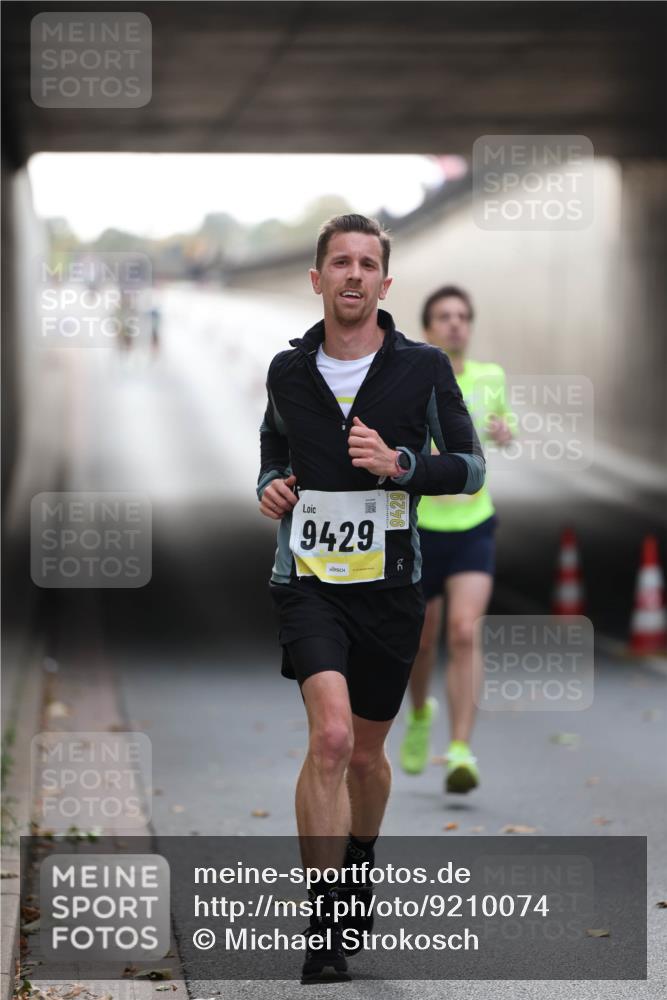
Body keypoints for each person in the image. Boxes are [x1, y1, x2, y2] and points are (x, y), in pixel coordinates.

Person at [257, 217, 484, 984]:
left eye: (367, 265)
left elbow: (471, 468)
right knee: (326, 741)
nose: (352, 275)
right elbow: (271, 446)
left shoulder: (419, 368)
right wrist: (271, 485)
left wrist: (401, 464)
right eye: (339, 263)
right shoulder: (288, 372)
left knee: (363, 754)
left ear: (385, 285)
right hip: (309, 582)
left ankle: (358, 861)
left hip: (389, 591)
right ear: (316, 278)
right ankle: (323, 921)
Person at [399, 285, 512, 794]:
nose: (454, 324)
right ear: (427, 329)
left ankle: (462, 749)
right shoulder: (413, 377)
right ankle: (421, 712)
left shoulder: (490, 377)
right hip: (421, 530)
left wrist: (505, 431)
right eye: (443, 317)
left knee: (465, 632)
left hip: (472, 526)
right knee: (422, 642)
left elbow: (502, 424)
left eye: (462, 316)